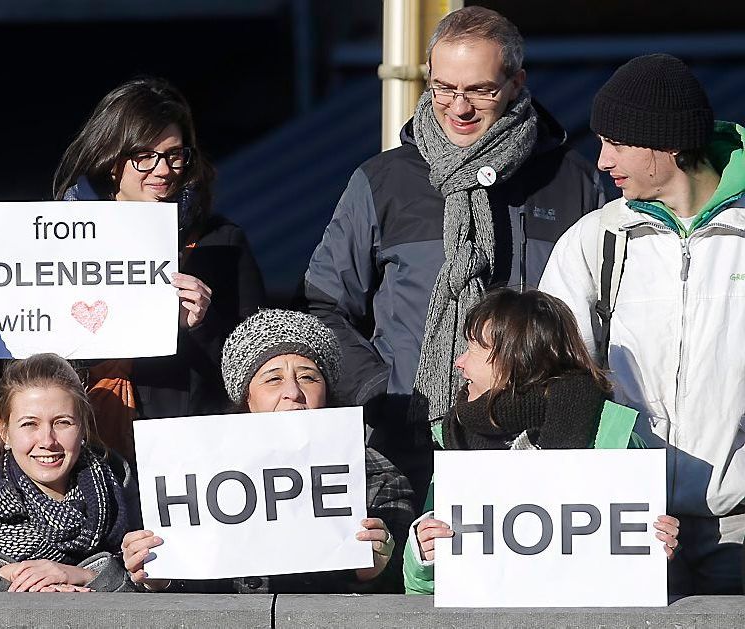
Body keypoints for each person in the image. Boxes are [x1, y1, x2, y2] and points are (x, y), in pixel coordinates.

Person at [302, 5, 603, 506]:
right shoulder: (382, 182)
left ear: (515, 81)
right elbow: (324, 305)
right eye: (444, 87)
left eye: (480, 90)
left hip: (537, 446)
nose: (458, 107)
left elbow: (603, 312)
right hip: (407, 444)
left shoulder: (573, 182)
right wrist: (379, 388)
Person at [540, 54, 745, 595]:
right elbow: (551, 379)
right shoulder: (595, 241)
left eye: (618, 143)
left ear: (670, 143)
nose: (602, 160)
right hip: (628, 524)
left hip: (740, 523)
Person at [402, 288, 680, 595]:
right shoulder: (455, 437)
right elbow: (423, 589)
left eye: (473, 349)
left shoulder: (614, 440)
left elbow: (632, 574)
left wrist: (658, 546)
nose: (459, 362)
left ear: (515, 359)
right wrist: (423, 557)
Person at [122, 309, 415, 594]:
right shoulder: (183, 470)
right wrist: (158, 577)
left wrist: (373, 572)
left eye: (309, 377)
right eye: (273, 378)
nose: (293, 392)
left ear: (326, 392)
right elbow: (175, 587)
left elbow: (407, 585)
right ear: (247, 397)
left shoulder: (377, 477)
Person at [52, 77, 265, 463]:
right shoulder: (53, 239)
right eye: (144, 156)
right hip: (76, 448)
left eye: (174, 155)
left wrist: (203, 325)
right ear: (111, 159)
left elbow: (255, 367)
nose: (163, 170)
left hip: (184, 451)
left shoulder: (222, 243)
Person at [0, 353, 132, 592]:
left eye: (62, 422)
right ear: (4, 432)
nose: (47, 440)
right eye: (29, 424)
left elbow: (169, 601)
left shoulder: (123, 503)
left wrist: (86, 574)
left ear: (83, 427)